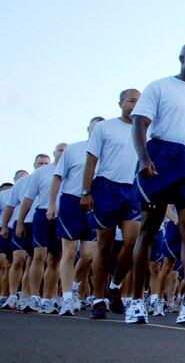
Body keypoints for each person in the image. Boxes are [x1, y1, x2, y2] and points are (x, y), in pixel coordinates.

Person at [128, 44, 185, 326]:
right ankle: (136, 300)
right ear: (182, 59)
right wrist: (144, 158)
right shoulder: (159, 87)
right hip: (161, 156)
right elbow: (140, 123)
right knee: (149, 229)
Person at [81, 89, 142, 320]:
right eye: (131, 101)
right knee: (104, 245)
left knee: (132, 241)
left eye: (139, 101)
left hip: (133, 189)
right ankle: (98, 299)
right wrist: (86, 192)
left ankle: (115, 285)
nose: (135, 105)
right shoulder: (104, 127)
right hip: (106, 187)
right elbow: (91, 160)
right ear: (120, 103)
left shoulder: (146, 129)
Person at [47, 117, 104, 316]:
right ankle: (66, 298)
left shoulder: (108, 150)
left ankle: (73, 286)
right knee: (69, 252)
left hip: (95, 204)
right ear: (88, 129)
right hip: (72, 201)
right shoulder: (74, 149)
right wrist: (52, 204)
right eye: (94, 127)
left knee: (88, 255)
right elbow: (58, 177)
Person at [16, 143, 68, 314]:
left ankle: (48, 298)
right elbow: (28, 198)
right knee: (38, 256)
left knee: (55, 259)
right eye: (60, 150)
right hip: (42, 215)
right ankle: (33, 296)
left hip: (62, 217)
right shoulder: (41, 172)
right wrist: (20, 221)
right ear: (54, 153)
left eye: (65, 150)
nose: (63, 152)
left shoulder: (73, 170)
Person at [1, 160, 48, 311]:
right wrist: (4, 226)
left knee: (34, 260)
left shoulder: (51, 180)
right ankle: (12, 294)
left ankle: (26, 296)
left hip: (39, 224)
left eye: (45, 163)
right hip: (21, 223)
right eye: (40, 163)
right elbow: (10, 205)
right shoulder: (23, 183)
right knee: (18, 259)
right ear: (34, 165)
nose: (42, 166)